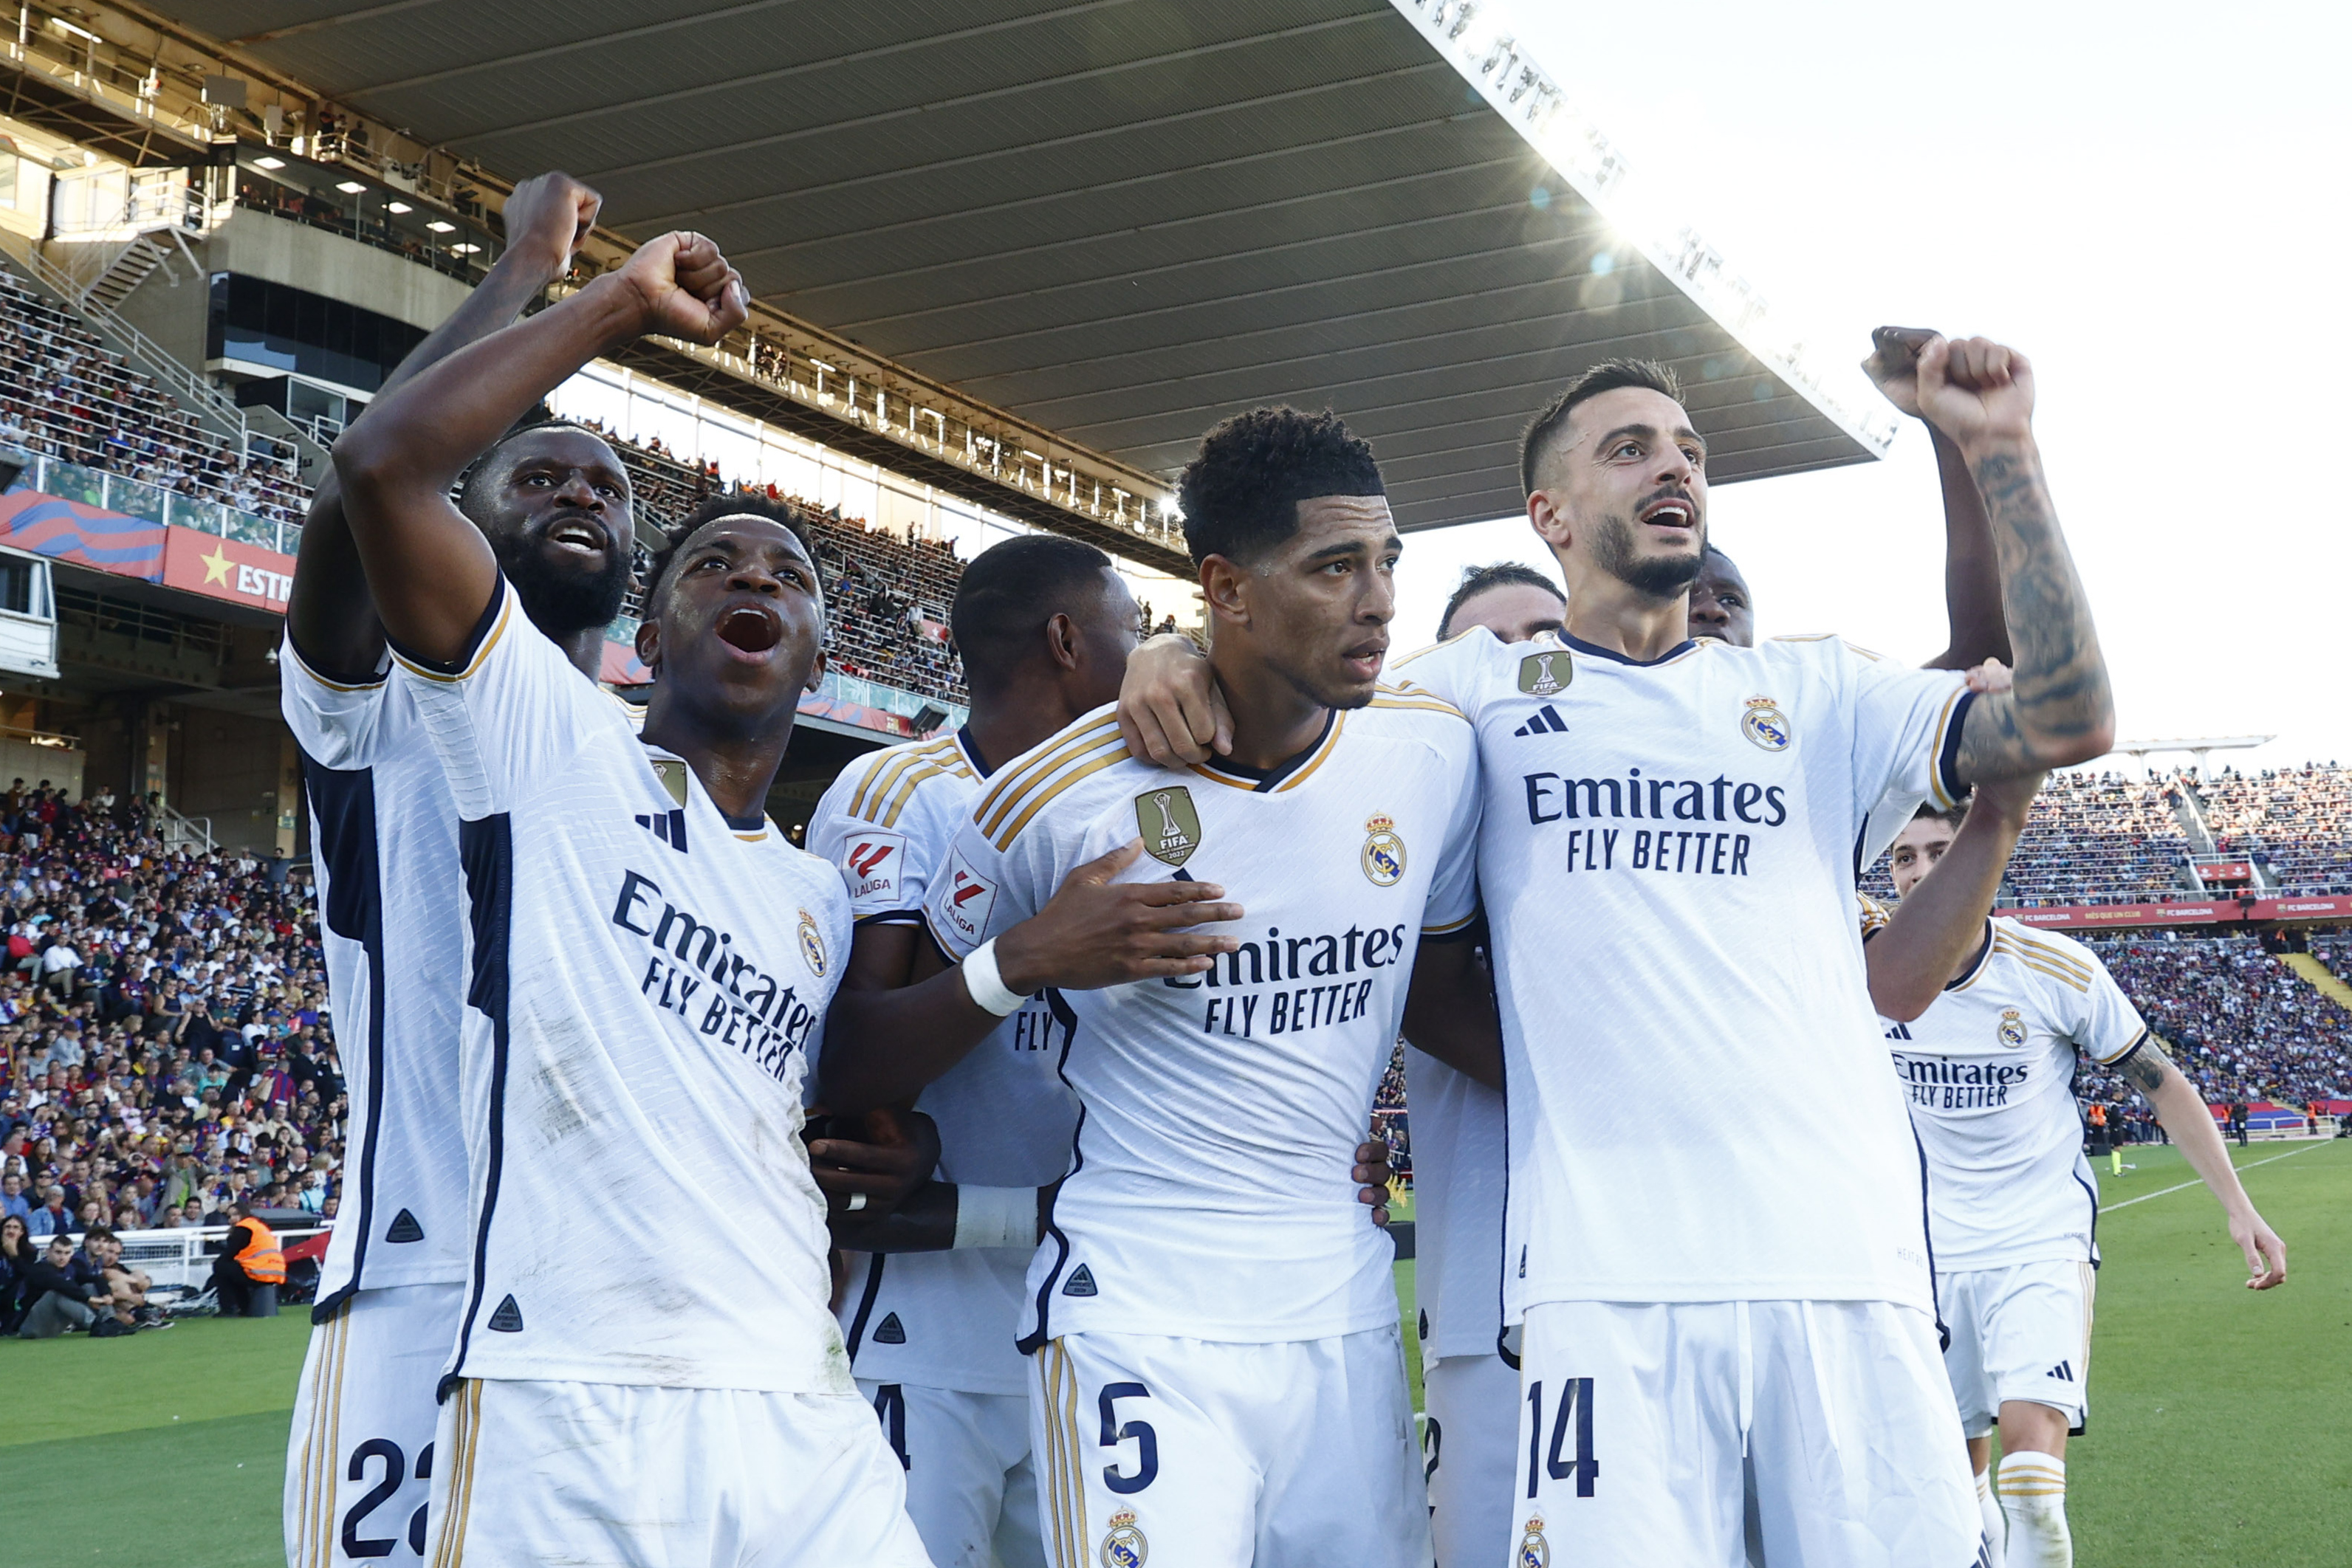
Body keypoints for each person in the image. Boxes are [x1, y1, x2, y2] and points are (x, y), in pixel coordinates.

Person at [1122, 334, 2113, 1564]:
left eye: (1691, 449)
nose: (1675, 467)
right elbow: (1284, 689)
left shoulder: (1814, 692)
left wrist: (1999, 446)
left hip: (1849, 1273)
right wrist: (1165, 649)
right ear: (1549, 511)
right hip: (1607, 1293)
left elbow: (2067, 713)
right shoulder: (1470, 694)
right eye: (1630, 447)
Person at [331, 223, 933, 1564]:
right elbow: (380, 468)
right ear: (648, 638)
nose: (757, 579)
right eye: (715, 563)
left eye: (789, 574)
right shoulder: (556, 744)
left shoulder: (816, 894)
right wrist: (611, 303)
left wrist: (910, 1154)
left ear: (826, 657)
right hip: (571, 1389)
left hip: (798, 1392)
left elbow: (815, 1112)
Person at [847, 406, 1500, 1567]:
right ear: (1226, 589)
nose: (1381, 600)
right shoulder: (1053, 797)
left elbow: (1438, 993)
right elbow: (864, 1054)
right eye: (1335, 566)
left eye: (1388, 560)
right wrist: (1027, 960)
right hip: (1136, 1306)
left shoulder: (1433, 750)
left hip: (1340, 1301)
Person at [806, 532, 1133, 1568]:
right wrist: (1026, 955)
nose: (1148, 653)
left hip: (1092, 1326)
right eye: (1134, 630)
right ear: (1069, 640)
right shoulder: (897, 790)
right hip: (926, 1335)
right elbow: (855, 1069)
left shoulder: (1133, 805)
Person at [1876, 795, 2287, 1568]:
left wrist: (2238, 1209)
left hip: (2036, 1240)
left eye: (1940, 850)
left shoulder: (2052, 969)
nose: (1922, 870)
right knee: (1950, 1500)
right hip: (1919, 1256)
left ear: (1980, 862)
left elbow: (2160, 1083)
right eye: (1904, 856)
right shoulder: (1864, 975)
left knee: (2030, 1484)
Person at [16, 1230, 111, 1338]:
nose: (62, 1257)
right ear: (48, 1252)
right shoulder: (39, 1269)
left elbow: (96, 1279)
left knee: (89, 1286)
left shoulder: (70, 1268)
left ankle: (109, 1320)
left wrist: (106, 1294)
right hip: (31, 1327)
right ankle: (96, 1324)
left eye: (67, 1253)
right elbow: (60, 1284)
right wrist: (89, 1299)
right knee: (57, 1294)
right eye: (58, 1252)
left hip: (53, 1327)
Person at [212, 1199, 286, 1316]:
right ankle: (244, 1308)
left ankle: (228, 1308)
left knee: (220, 1266)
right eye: (229, 1216)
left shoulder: (243, 1228)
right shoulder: (259, 1226)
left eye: (235, 1214)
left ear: (243, 1213)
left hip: (259, 1272)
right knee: (234, 1270)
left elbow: (229, 1253)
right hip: (276, 1272)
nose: (232, 1219)